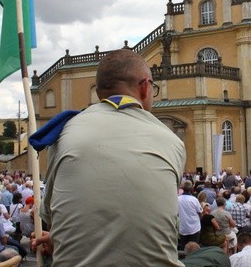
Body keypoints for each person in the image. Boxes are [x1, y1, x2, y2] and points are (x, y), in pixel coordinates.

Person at [34, 49, 186, 266]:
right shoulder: (171, 141)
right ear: (144, 87)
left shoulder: (65, 133)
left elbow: (51, 215)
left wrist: (60, 240)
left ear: (97, 91)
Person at [178, 180, 202, 250]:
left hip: (183, 227)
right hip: (194, 227)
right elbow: (200, 212)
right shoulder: (194, 199)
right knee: (194, 247)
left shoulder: (178, 199)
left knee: (183, 247)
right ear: (192, 189)